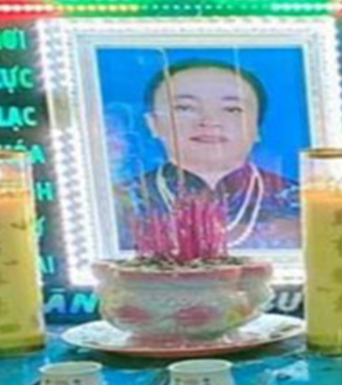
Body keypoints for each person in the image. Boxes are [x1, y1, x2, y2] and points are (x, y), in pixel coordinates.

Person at [116, 60, 300, 250]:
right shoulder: (117, 203)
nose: (210, 121)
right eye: (185, 108)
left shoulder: (299, 201)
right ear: (153, 124)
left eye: (232, 109)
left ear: (257, 128)